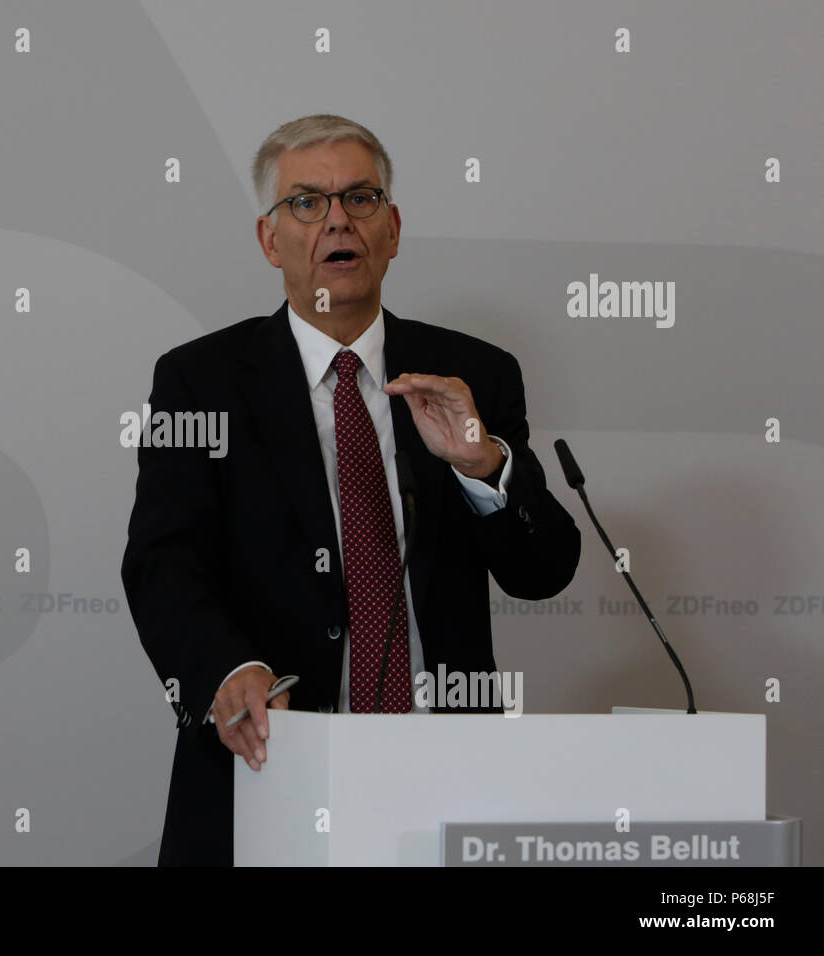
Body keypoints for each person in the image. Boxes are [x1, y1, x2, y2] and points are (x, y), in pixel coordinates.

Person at [120, 114, 581, 866]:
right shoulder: (198, 379)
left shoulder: (473, 374)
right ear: (272, 241)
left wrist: (482, 463)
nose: (338, 218)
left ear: (392, 228)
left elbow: (543, 571)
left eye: (360, 198)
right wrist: (230, 672)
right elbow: (162, 562)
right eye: (308, 202)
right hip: (268, 765)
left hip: (448, 778)